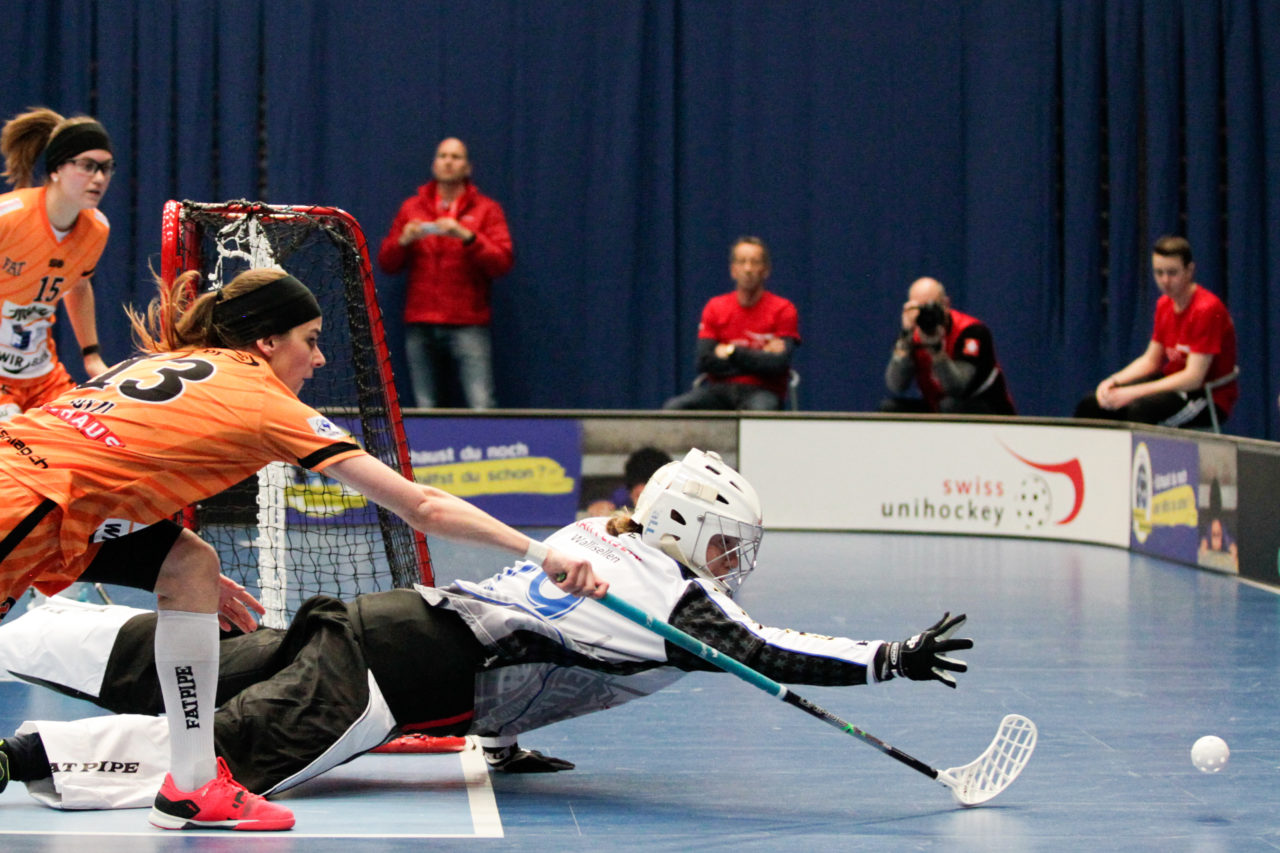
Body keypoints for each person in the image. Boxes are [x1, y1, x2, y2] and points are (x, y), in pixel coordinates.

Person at [0, 449, 970, 809]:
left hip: (384, 623)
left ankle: (26, 631)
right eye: (724, 548)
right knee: (214, 757)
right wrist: (890, 658)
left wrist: (498, 736)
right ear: (690, 534)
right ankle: (27, 754)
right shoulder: (676, 604)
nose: (728, 569)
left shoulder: (597, 532)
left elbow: (549, 649)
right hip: (391, 679)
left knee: (201, 660)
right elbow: (770, 651)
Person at [0, 267, 604, 831]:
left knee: (190, 563)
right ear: (266, 341)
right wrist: (538, 551)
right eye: (309, 340)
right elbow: (420, 506)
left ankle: (190, 785)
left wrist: (174, 571)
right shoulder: (265, 402)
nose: (318, 359)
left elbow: (96, 463)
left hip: (40, 488)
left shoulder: (169, 364)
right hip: (25, 500)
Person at [377, 137, 513, 410]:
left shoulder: (487, 209)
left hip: (468, 321)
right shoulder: (412, 207)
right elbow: (386, 264)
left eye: (456, 156)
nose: (448, 161)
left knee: (481, 403)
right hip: (421, 319)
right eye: (443, 156)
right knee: (424, 406)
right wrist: (403, 241)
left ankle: (493, 452)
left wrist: (467, 236)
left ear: (467, 167)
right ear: (434, 163)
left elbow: (502, 262)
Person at [0, 107, 114, 419]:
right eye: (87, 166)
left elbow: (77, 286)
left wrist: (92, 357)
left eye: (106, 168)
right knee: (14, 452)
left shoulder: (96, 229)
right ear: (57, 169)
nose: (99, 178)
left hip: (41, 375)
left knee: (90, 441)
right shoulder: (9, 217)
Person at [1074, 236, 1238, 428]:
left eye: (1172, 273)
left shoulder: (1206, 309)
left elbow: (1193, 377)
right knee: (1093, 404)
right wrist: (1113, 381)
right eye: (1159, 273)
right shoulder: (1164, 305)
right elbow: (1151, 360)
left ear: (1189, 270)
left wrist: (1134, 393)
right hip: (1173, 386)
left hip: (1205, 396)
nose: (1165, 280)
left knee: (1140, 410)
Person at [663, 237, 800, 411]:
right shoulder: (715, 307)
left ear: (766, 270)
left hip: (763, 391)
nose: (748, 269)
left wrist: (730, 351)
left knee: (761, 412)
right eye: (742, 262)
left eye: (755, 262)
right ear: (733, 270)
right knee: (675, 408)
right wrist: (759, 357)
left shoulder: (783, 309)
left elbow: (778, 364)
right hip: (719, 390)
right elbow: (704, 361)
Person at [881, 277, 1015, 415]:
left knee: (949, 405)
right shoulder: (912, 335)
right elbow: (896, 385)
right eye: (919, 308)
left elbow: (956, 388)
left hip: (986, 410)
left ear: (946, 303)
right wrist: (904, 339)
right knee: (890, 408)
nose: (926, 315)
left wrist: (937, 353)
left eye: (931, 307)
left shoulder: (971, 332)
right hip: (939, 407)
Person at [583, 445, 672, 516]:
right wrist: (599, 507)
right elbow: (604, 505)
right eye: (639, 496)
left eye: (653, 495)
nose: (646, 504)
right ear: (631, 493)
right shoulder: (622, 497)